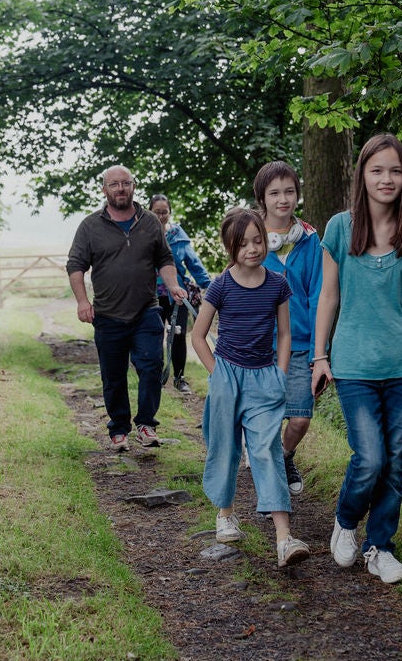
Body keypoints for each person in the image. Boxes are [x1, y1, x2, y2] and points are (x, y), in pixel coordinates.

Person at [311, 134, 402, 584]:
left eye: (395, 171)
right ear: (362, 176)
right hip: (353, 364)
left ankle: (380, 546)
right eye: (377, 170)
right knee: (369, 457)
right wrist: (319, 356)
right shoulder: (339, 227)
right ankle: (346, 521)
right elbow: (328, 296)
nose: (386, 179)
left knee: (395, 461)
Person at [191, 207, 311, 568]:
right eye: (243, 244)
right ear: (231, 248)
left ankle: (284, 539)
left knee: (266, 450)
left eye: (258, 241)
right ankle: (225, 515)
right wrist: (216, 374)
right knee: (225, 447)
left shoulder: (277, 283)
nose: (253, 249)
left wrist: (281, 371)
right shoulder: (221, 285)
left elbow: (286, 333)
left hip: (264, 378)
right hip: (228, 375)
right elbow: (198, 337)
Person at [66, 165, 187, 451]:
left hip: (147, 310)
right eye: (114, 184)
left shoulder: (149, 223)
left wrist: (172, 285)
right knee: (114, 375)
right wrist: (83, 301)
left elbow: (165, 259)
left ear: (133, 186)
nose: (120, 189)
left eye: (125, 183)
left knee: (151, 367)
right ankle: (119, 429)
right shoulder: (90, 226)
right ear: (104, 190)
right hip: (107, 315)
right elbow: (75, 266)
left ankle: (146, 424)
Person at [254, 161, 322, 496]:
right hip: (259, 347)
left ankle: (285, 456)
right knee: (264, 421)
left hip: (299, 345)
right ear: (262, 198)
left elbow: (318, 295)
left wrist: (318, 351)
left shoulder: (310, 240)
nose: (283, 199)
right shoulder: (250, 237)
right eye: (275, 193)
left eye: (290, 191)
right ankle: (270, 492)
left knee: (299, 419)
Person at [149, 194, 212, 395]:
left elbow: (193, 263)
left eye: (164, 212)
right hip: (151, 295)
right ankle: (156, 378)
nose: (160, 216)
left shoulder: (178, 236)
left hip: (178, 294)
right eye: (156, 212)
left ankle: (179, 378)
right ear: (150, 211)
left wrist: (208, 285)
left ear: (170, 213)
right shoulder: (143, 233)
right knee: (154, 335)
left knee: (178, 336)